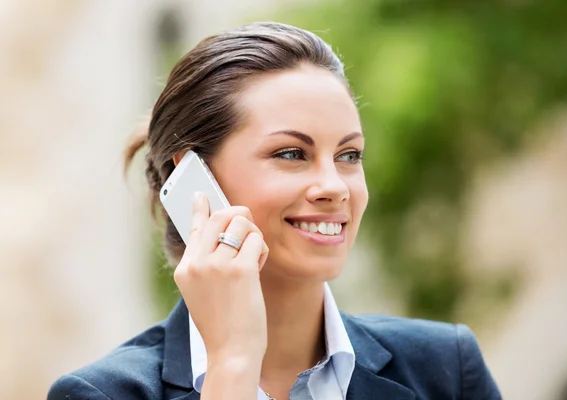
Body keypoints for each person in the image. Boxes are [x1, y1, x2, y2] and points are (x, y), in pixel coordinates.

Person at [48, 22, 502, 400]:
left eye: (349, 155)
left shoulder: (446, 369)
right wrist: (231, 367)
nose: (333, 187)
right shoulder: (101, 394)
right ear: (194, 181)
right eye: (291, 154)